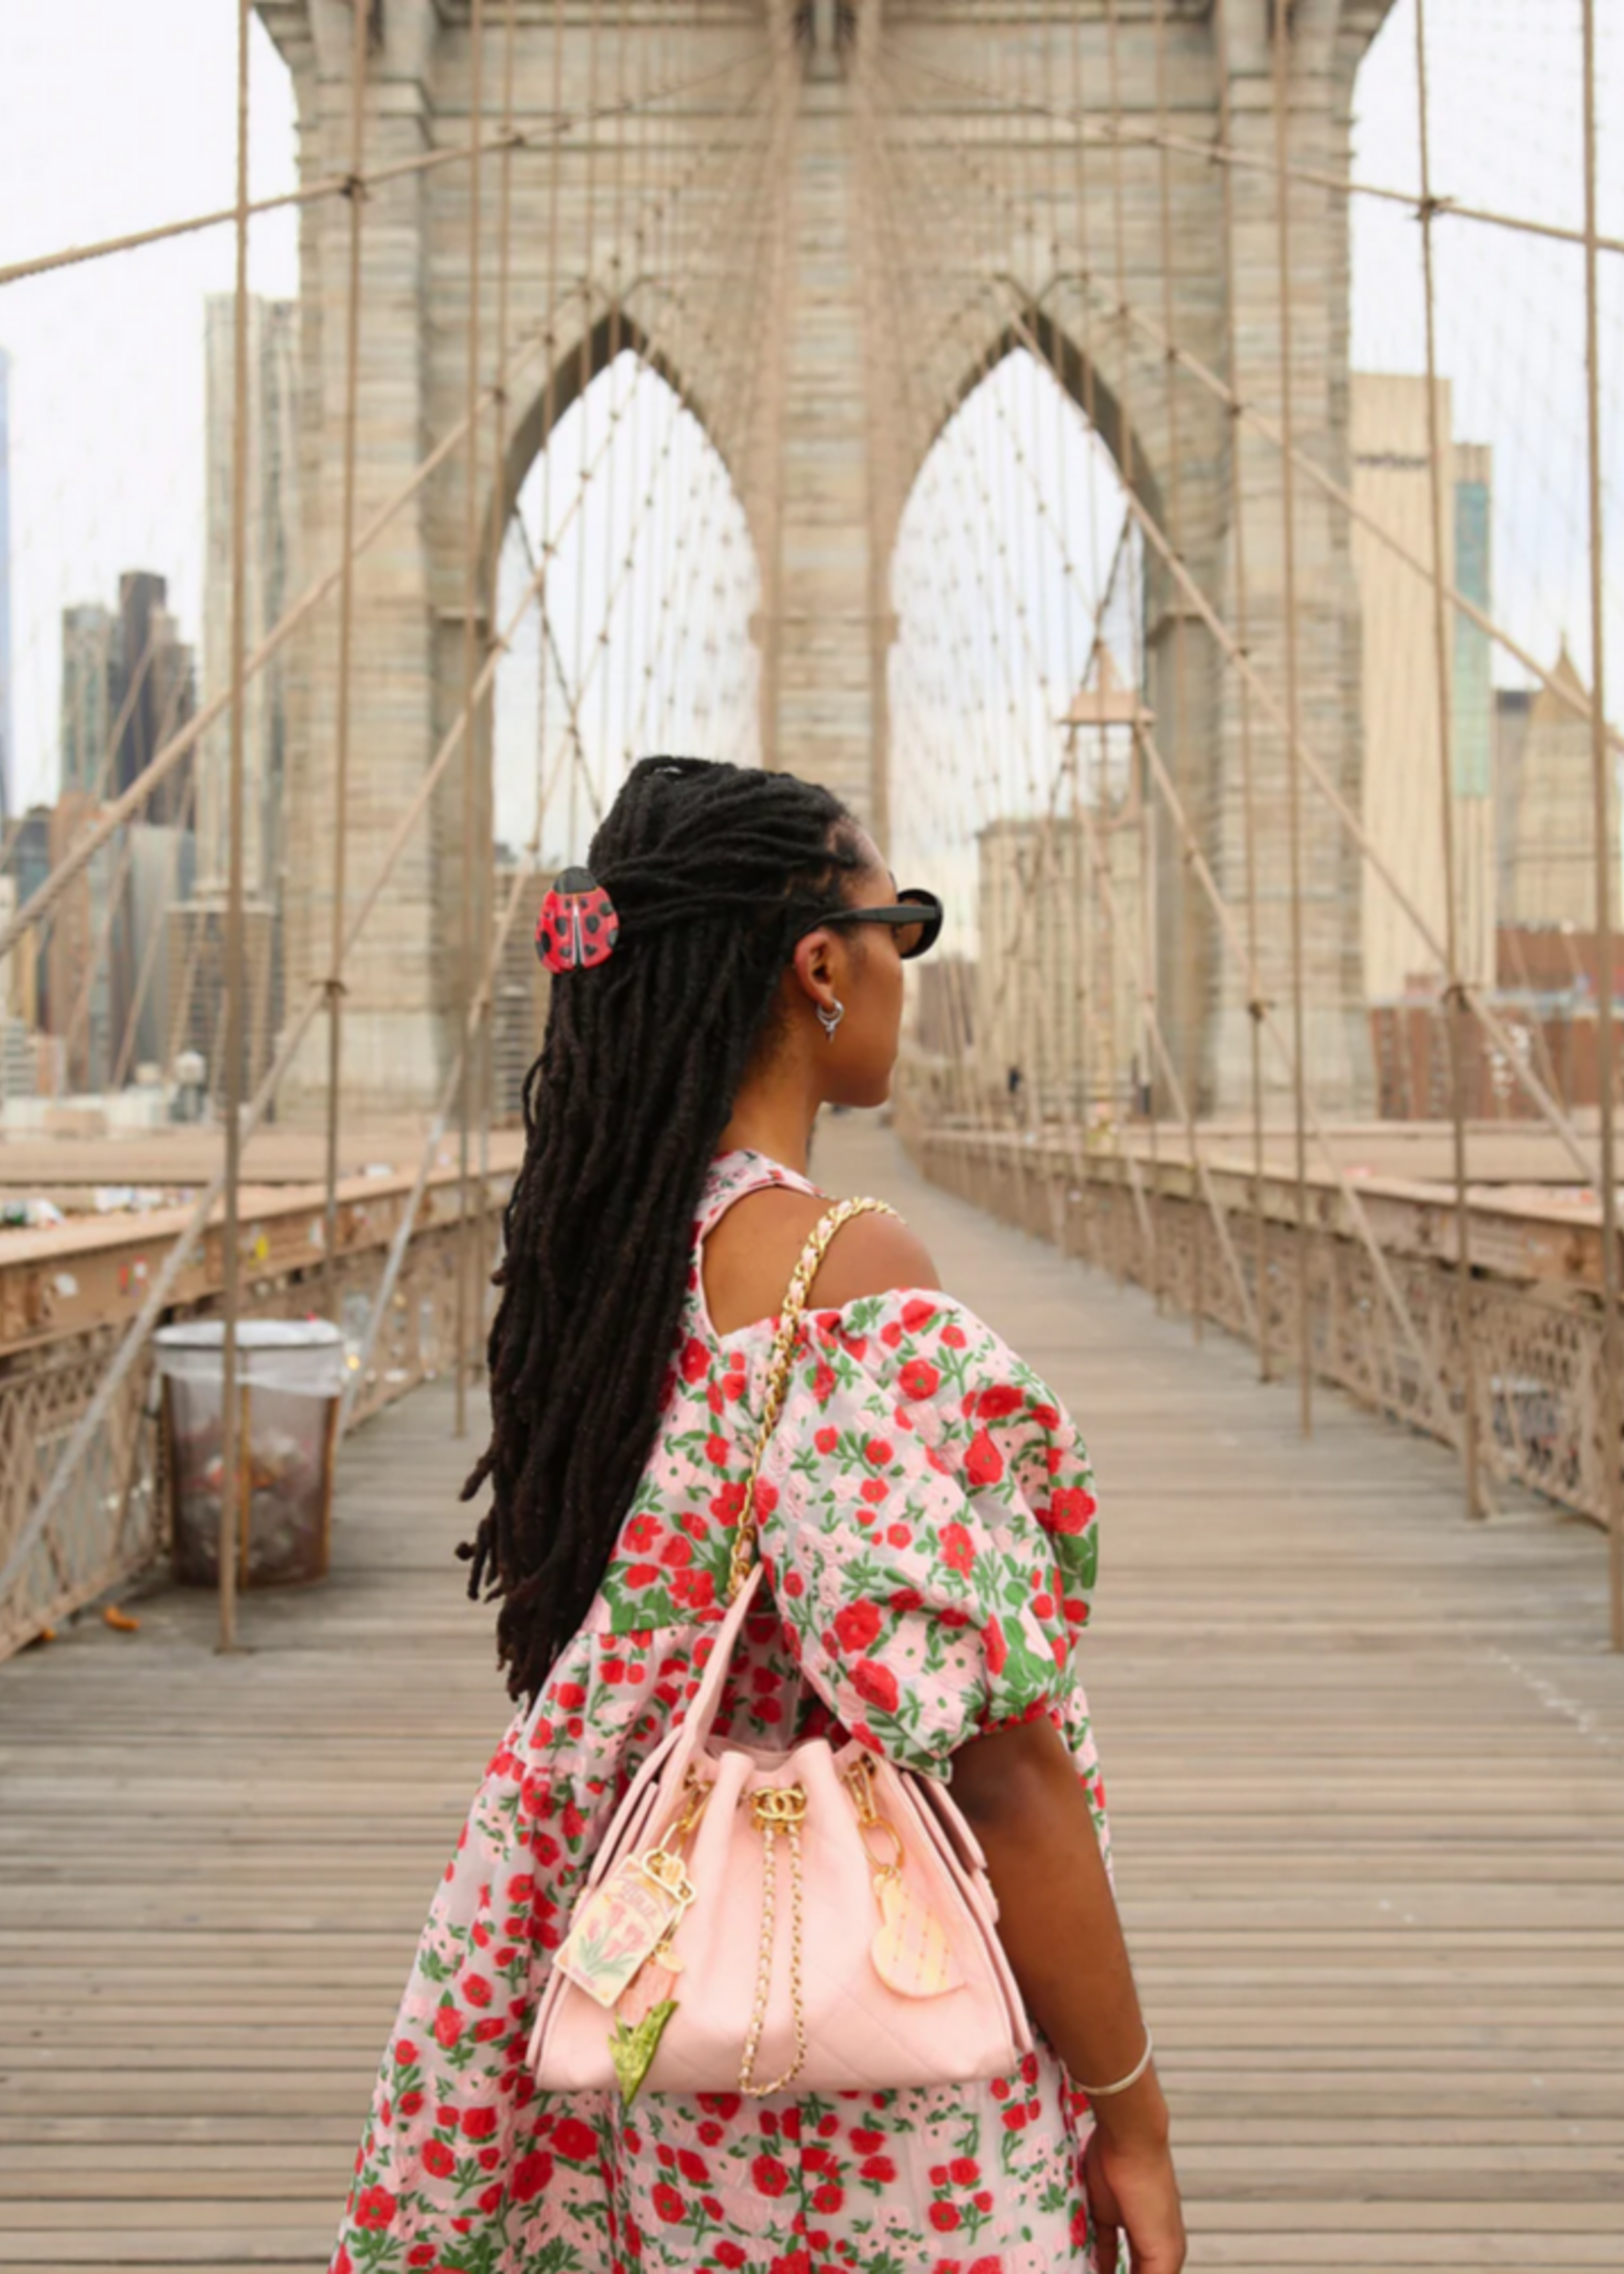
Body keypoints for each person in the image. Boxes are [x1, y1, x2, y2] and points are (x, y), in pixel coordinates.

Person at [330, 757, 1185, 2274]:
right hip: (880, 2052)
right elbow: (996, 1766)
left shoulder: (607, 1258)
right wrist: (1133, 2114)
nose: (905, 973)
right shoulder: (841, 1271)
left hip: (668, 2028)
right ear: (817, 967)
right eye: (899, 928)